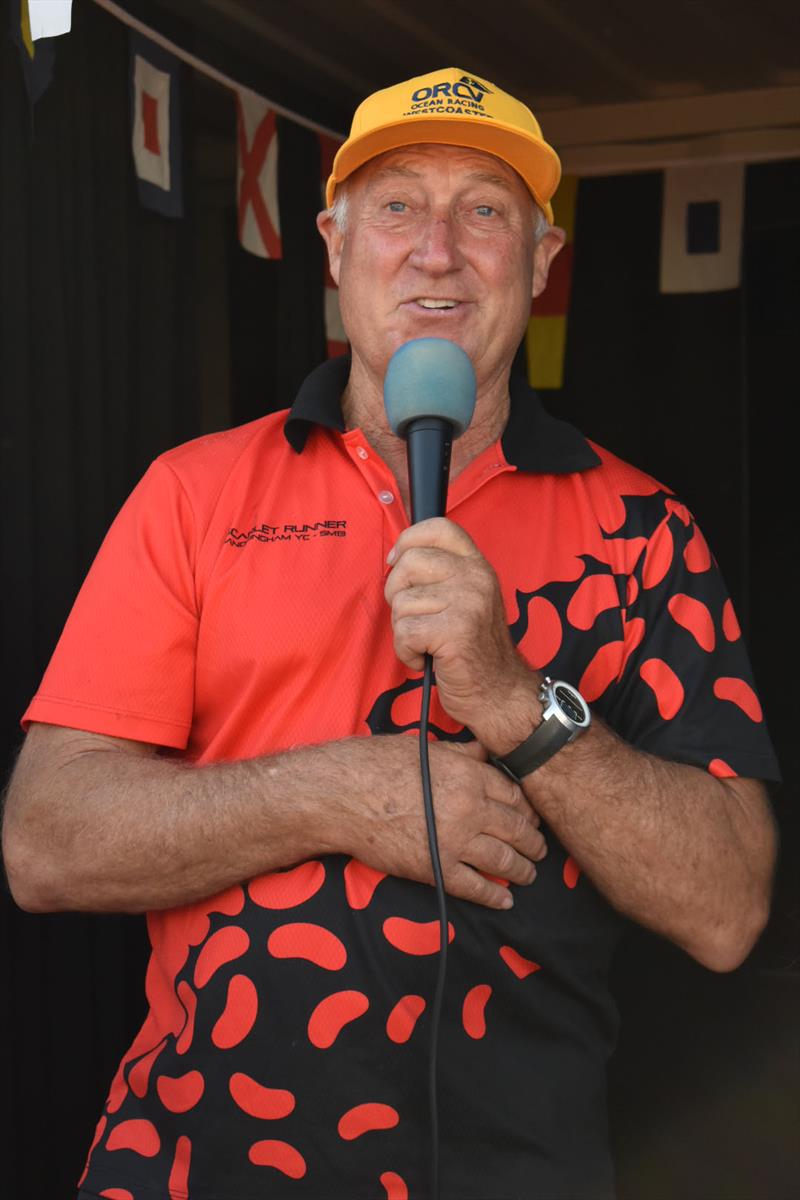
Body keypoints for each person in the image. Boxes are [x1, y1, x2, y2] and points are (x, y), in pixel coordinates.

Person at [3, 67, 779, 1200]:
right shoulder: (192, 492)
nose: (436, 251)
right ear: (332, 245)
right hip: (190, 1164)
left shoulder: (641, 530)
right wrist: (339, 793)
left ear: (542, 262)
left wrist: (512, 695)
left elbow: (725, 909)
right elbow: (44, 843)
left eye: (483, 211)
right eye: (397, 206)